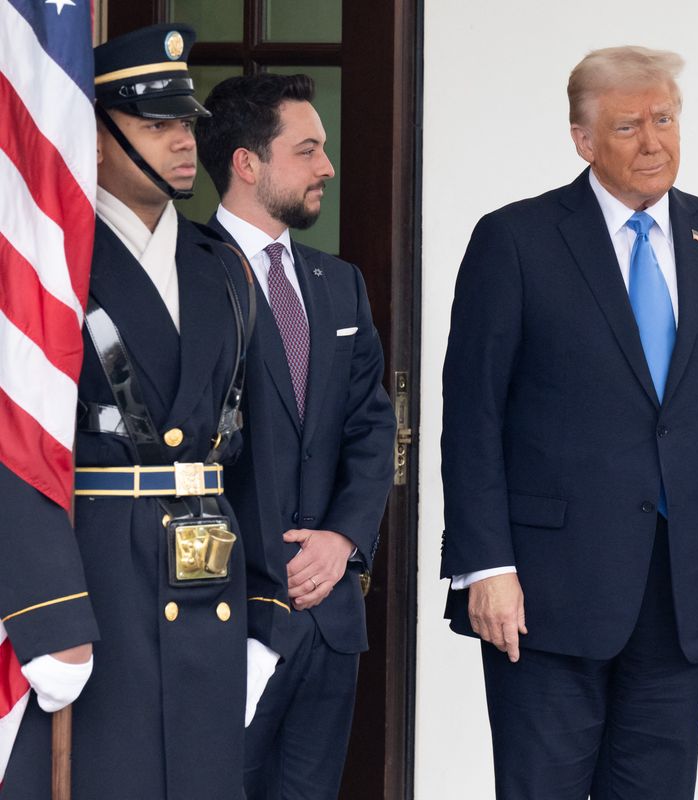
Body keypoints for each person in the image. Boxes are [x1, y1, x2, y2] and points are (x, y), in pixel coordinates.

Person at [440, 45, 698, 799]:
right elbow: (471, 419)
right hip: (542, 597)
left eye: (664, 118)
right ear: (583, 139)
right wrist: (486, 567)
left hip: (685, 588)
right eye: (629, 125)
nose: (654, 140)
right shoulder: (516, 241)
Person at [2, 23, 280, 799]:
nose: (183, 141)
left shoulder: (223, 270)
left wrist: (267, 606)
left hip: (209, 589)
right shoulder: (46, 269)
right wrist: (46, 613)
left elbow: (253, 456)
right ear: (90, 139)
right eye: (156, 125)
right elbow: (15, 442)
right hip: (96, 586)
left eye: (185, 122)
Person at [195, 73, 396, 799]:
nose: (327, 168)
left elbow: (372, 427)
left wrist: (342, 540)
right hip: (225, 618)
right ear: (247, 163)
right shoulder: (188, 276)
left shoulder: (338, 283)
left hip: (331, 619)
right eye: (307, 150)